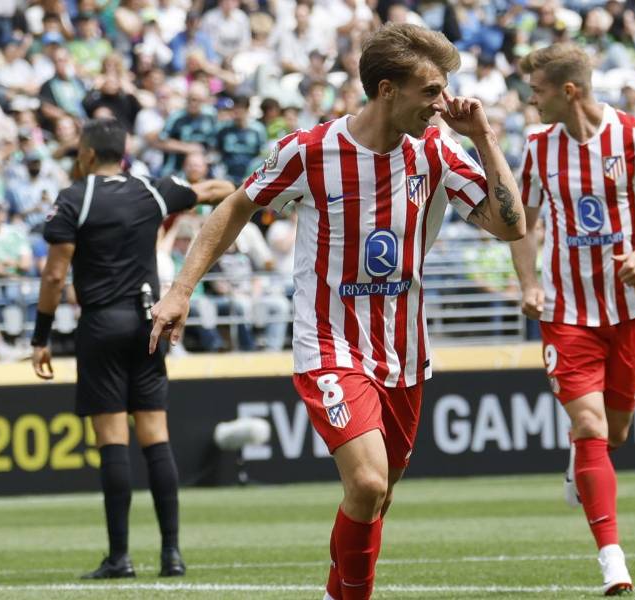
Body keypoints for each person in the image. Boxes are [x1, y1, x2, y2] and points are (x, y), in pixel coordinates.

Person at [148, 24, 525, 599]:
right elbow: (236, 207)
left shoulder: (437, 151)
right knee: (368, 483)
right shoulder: (310, 150)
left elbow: (510, 225)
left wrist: (485, 138)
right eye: (431, 91)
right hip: (330, 344)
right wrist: (181, 289)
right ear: (387, 90)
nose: (442, 103)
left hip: (403, 352)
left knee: (377, 496)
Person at [508, 43, 635, 596]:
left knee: (613, 431)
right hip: (566, 312)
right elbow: (522, 221)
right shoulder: (537, 147)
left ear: (569, 91)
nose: (531, 100)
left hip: (625, 311)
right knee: (592, 426)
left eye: (539, 90)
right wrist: (528, 284)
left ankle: (580, 456)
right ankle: (612, 559)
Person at [30, 119, 235, 579]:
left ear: (86, 154)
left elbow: (55, 275)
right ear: (122, 153)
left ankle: (120, 557)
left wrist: (40, 336)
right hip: (147, 323)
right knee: (156, 437)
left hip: (101, 323)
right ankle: (172, 554)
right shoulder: (151, 189)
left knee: (112, 442)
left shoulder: (75, 197)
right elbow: (220, 190)